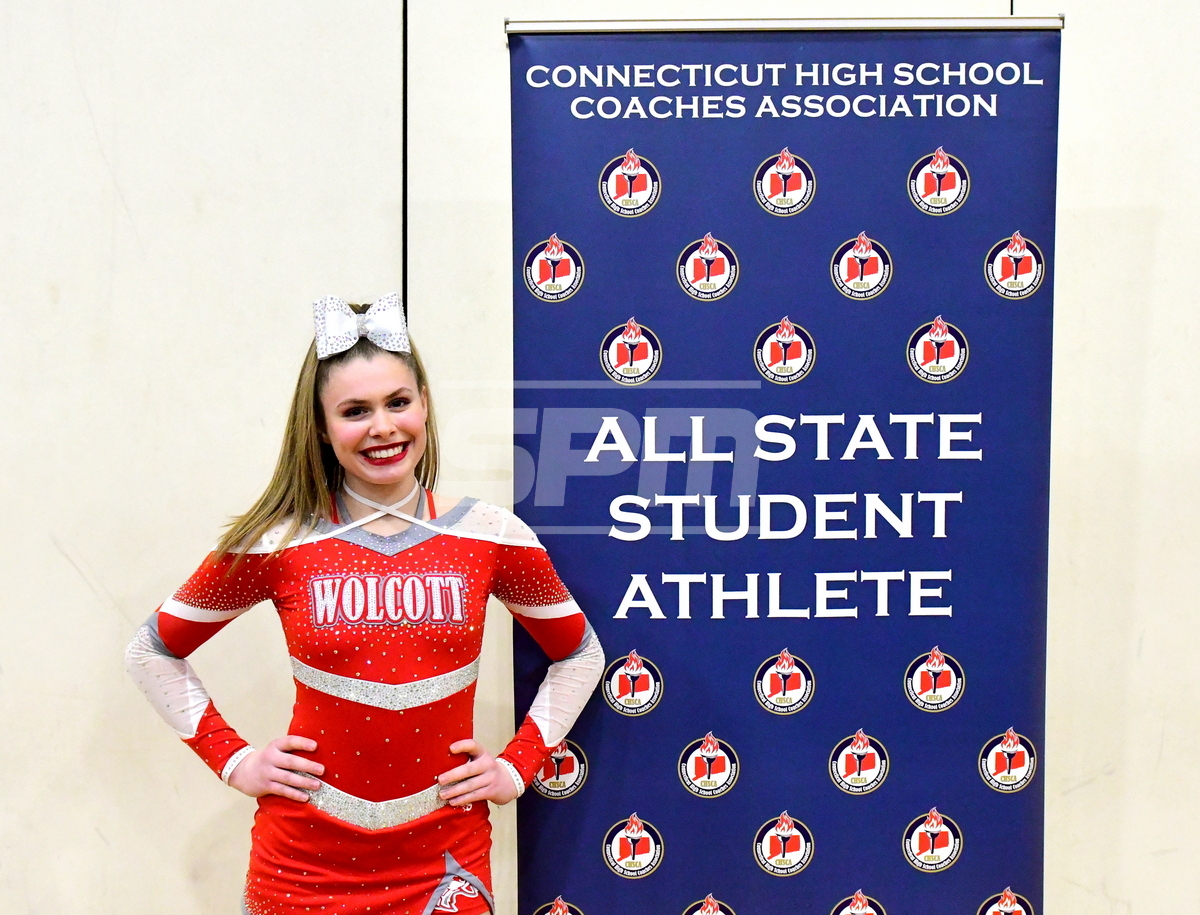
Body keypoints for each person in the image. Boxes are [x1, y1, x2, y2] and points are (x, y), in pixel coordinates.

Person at [125, 294, 604, 915]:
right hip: (302, 866)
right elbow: (151, 651)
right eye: (355, 411)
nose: (382, 427)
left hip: (445, 862)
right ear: (321, 427)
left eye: (397, 403)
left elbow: (579, 655)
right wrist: (234, 760)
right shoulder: (279, 540)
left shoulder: (491, 535)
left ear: (424, 404)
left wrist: (516, 767)